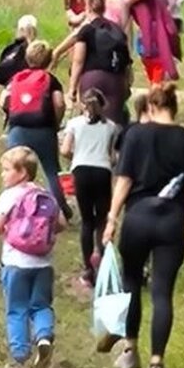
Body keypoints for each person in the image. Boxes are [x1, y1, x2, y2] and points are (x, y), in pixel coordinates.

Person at [101, 82, 184, 368]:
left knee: (131, 283)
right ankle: (156, 364)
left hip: (137, 219)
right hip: (171, 223)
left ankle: (129, 351)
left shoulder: (135, 135)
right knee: (163, 292)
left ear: (150, 107)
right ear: (174, 107)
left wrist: (112, 219)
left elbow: (123, 181)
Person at [0, 145, 67, 368]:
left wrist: (11, 230)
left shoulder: (9, 196)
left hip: (15, 263)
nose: (2, 174)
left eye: (6, 170)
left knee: (17, 309)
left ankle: (19, 357)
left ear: (22, 172)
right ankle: (44, 336)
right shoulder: (45, 194)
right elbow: (61, 224)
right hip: (43, 264)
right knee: (41, 305)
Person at [2, 39, 72, 218]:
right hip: (43, 129)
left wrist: (10, 112)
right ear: (49, 60)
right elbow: (59, 103)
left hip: (17, 129)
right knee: (51, 171)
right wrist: (56, 122)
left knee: (14, 168)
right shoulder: (51, 80)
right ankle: (60, 210)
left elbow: (4, 99)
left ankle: (11, 211)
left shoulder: (16, 78)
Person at [60, 87, 119, 286]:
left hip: (81, 171)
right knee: (102, 219)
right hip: (102, 172)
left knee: (87, 221)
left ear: (82, 104)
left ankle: (87, 268)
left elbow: (65, 150)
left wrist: (76, 157)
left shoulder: (74, 124)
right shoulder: (111, 126)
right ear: (103, 105)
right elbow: (112, 157)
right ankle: (102, 259)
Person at [59, 0, 131, 123]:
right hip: (116, 80)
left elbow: (78, 61)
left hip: (92, 78)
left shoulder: (87, 30)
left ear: (87, 8)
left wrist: (72, 89)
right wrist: (126, 84)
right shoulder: (117, 30)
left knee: (90, 121)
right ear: (103, 8)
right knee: (112, 125)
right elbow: (127, 62)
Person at [0, 14, 38, 88]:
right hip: (25, 86)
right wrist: (30, 40)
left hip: (9, 86)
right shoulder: (34, 49)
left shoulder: (9, 49)